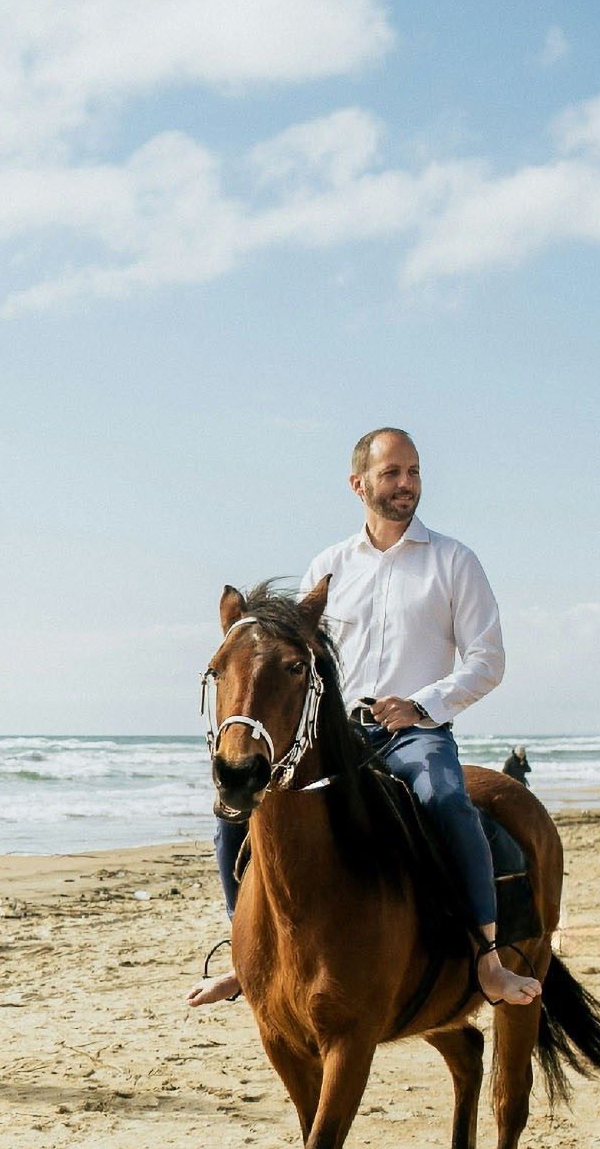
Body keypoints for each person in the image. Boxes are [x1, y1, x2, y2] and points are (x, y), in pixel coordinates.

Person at [190, 427, 542, 1009]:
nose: (407, 483)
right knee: (236, 815)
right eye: (392, 473)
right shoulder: (328, 565)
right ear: (359, 484)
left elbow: (488, 660)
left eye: (413, 471)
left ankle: (487, 957)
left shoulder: (454, 561)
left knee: (446, 802)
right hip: (336, 736)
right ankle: (243, 958)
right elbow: (298, 662)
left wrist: (421, 704)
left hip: (416, 734)